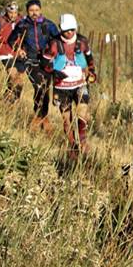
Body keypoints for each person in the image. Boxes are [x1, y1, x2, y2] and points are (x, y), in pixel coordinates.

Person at [43, 14, 96, 160]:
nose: (69, 33)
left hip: (80, 84)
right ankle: (72, 146)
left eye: (72, 29)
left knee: (83, 113)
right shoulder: (54, 43)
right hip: (61, 87)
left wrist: (92, 72)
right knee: (67, 119)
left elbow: (90, 58)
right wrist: (54, 72)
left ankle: (82, 140)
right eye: (66, 30)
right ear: (61, 29)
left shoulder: (82, 41)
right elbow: (45, 62)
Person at [8, 0, 60, 130]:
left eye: (37, 10)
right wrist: (18, 49)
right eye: (31, 10)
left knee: (45, 89)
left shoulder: (49, 25)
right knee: (39, 85)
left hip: (46, 61)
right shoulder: (22, 25)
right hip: (30, 60)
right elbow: (11, 40)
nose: (34, 13)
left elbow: (58, 41)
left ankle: (44, 117)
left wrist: (53, 52)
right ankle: (37, 116)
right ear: (27, 11)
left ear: (40, 10)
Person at [0, 1, 23, 100]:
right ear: (7, 12)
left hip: (17, 51)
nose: (13, 15)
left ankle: (6, 98)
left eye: (15, 13)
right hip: (4, 51)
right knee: (15, 78)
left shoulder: (21, 20)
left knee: (17, 79)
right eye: (11, 13)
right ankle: (14, 101)